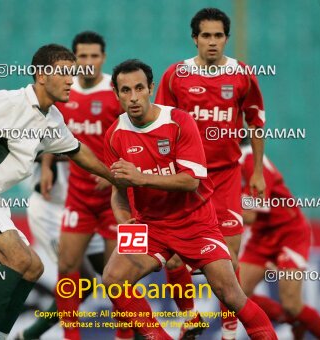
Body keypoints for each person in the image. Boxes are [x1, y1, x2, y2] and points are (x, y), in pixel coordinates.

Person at [0, 44, 115, 340]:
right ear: (42, 76)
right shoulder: (10, 101)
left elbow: (78, 151)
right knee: (18, 260)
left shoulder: (53, 119)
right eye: (65, 73)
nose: (72, 80)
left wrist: (116, 178)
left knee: (33, 268)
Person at [101, 59, 276, 340]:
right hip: (151, 226)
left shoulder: (179, 121)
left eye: (139, 88)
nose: (133, 97)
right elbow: (118, 193)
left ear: (151, 88)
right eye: (125, 90)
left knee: (230, 293)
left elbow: (190, 180)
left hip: (195, 222)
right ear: (116, 93)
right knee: (113, 279)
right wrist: (124, 221)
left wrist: (140, 178)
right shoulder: (114, 135)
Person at [155, 8, 267, 339]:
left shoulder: (243, 75)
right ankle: (189, 318)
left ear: (226, 39)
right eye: (206, 35)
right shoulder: (176, 75)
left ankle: (229, 332)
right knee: (173, 259)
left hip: (226, 178)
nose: (213, 42)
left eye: (219, 35)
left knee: (228, 258)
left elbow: (256, 121)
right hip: (185, 181)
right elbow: (161, 126)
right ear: (195, 38)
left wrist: (257, 171)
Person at [40, 31, 128, 340]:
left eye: (94, 56)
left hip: (116, 201)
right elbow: (55, 132)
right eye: (82, 57)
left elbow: (135, 140)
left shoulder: (116, 93)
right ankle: (71, 336)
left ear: (103, 58)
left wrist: (114, 176)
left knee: (117, 277)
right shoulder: (65, 93)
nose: (88, 63)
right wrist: (47, 168)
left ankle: (126, 335)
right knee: (66, 266)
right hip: (78, 197)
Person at [238, 141, 320, 340]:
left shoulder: (251, 161)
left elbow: (250, 215)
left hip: (290, 234)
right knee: (235, 291)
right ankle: (290, 319)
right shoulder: (231, 162)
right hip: (262, 235)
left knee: (292, 303)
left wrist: (217, 214)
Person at [16, 155, 106, 340]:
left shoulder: (102, 126)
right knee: (82, 280)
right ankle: (40, 334)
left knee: (120, 274)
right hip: (51, 211)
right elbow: (30, 147)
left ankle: (140, 333)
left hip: (86, 207)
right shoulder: (42, 126)